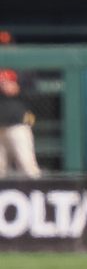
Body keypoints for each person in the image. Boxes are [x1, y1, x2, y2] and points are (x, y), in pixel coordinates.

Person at [0, 30, 42, 179]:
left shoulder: (23, 66)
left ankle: (37, 197)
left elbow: (35, 93)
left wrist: (18, 88)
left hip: (18, 123)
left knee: (28, 167)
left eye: (5, 45)